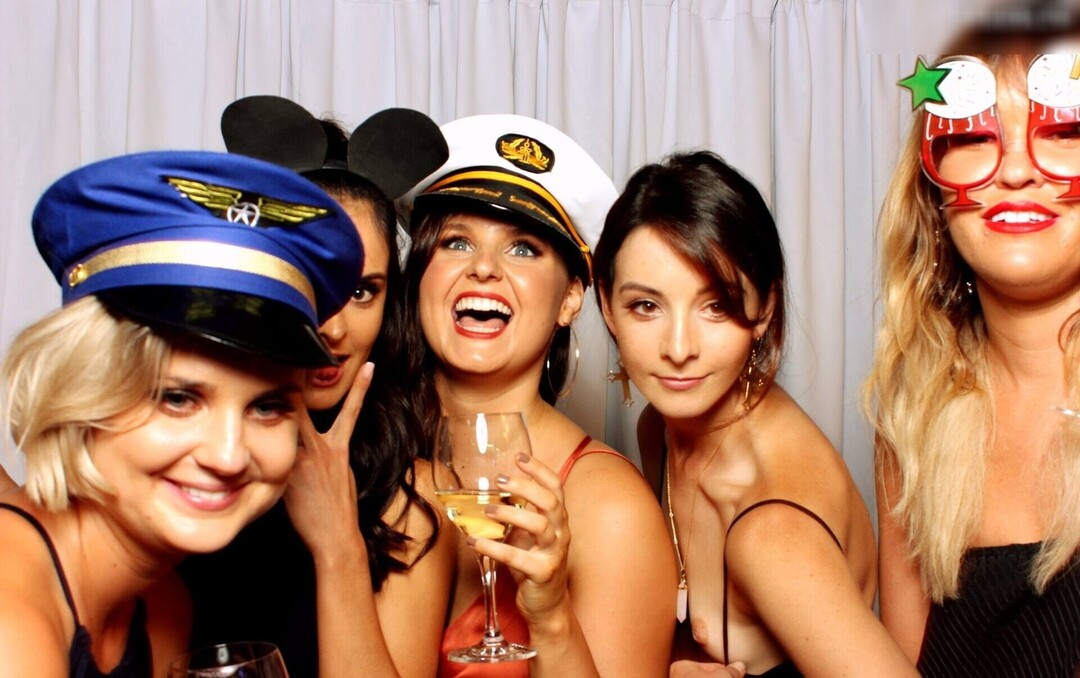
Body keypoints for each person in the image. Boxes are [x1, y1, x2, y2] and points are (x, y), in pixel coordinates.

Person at [0, 149, 363, 676]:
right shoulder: (10, 610)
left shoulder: (164, 603)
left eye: (267, 407)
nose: (228, 456)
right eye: (178, 398)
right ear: (78, 388)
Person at [593, 151, 917, 677]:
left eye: (716, 305)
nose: (678, 348)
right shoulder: (659, 428)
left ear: (764, 308)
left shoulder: (773, 533)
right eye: (646, 306)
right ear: (607, 306)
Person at [179, 96, 456, 677]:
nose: (332, 326)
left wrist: (338, 545)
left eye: (361, 291)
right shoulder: (183, 457)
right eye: (306, 281)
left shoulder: (414, 496)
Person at [398, 113, 677, 677]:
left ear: (571, 298)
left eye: (523, 249)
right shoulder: (370, 452)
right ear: (418, 275)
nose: (483, 269)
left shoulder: (612, 509)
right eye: (456, 242)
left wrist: (551, 617)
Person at [865, 52, 1080, 677]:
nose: (1015, 170)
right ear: (933, 198)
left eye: (1065, 130)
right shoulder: (914, 417)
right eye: (973, 136)